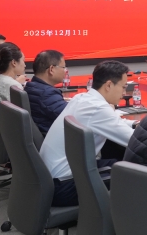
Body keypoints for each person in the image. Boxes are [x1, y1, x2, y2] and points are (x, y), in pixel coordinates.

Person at [39, 60, 136, 207]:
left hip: (49, 180)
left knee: (117, 161)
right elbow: (135, 141)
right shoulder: (98, 109)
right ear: (109, 85)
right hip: (63, 186)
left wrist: (133, 124)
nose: (124, 93)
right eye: (123, 87)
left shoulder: (82, 98)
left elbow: (110, 121)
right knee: (132, 172)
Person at [24, 50, 68, 135]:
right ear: (51, 69)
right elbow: (71, 116)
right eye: (63, 67)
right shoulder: (47, 93)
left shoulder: (31, 87)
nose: (65, 71)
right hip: (55, 137)